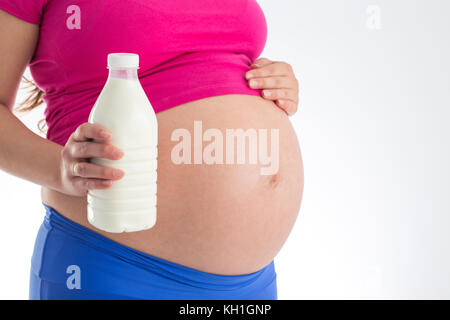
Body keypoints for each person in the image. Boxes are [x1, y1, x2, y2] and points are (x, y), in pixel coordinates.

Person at [0, 0, 304, 299]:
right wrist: (59, 170)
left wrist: (276, 82)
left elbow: (213, 61)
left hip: (252, 282)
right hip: (113, 267)